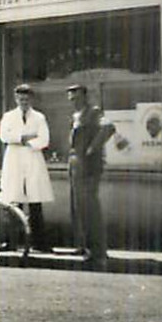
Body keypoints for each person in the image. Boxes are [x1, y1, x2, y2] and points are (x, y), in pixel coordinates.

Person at [0, 83, 53, 251]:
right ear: (16, 99)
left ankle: (39, 243)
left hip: (32, 158)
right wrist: (25, 137)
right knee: (13, 201)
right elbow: (3, 136)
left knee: (35, 202)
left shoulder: (39, 117)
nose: (24, 102)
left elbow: (44, 140)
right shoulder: (8, 116)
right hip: (14, 159)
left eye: (27, 99)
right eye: (21, 99)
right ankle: (10, 242)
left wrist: (27, 142)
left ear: (32, 99)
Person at [66, 84, 115, 270]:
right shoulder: (75, 117)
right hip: (76, 167)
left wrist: (91, 149)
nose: (73, 101)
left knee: (90, 208)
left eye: (77, 98)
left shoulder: (94, 113)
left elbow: (109, 127)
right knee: (78, 208)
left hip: (89, 168)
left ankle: (98, 251)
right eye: (71, 98)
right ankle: (83, 246)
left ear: (85, 97)